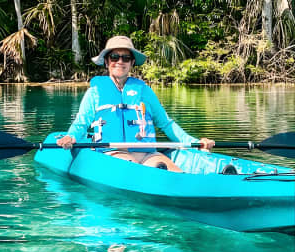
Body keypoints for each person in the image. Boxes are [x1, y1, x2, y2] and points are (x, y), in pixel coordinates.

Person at [57, 36, 215, 172]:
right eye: (114, 57)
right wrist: (71, 136)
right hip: (114, 153)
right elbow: (81, 122)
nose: (120, 61)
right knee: (129, 166)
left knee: (172, 172)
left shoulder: (144, 91)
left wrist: (193, 142)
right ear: (106, 62)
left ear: (132, 62)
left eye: (125, 58)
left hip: (147, 154)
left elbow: (166, 124)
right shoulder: (95, 92)